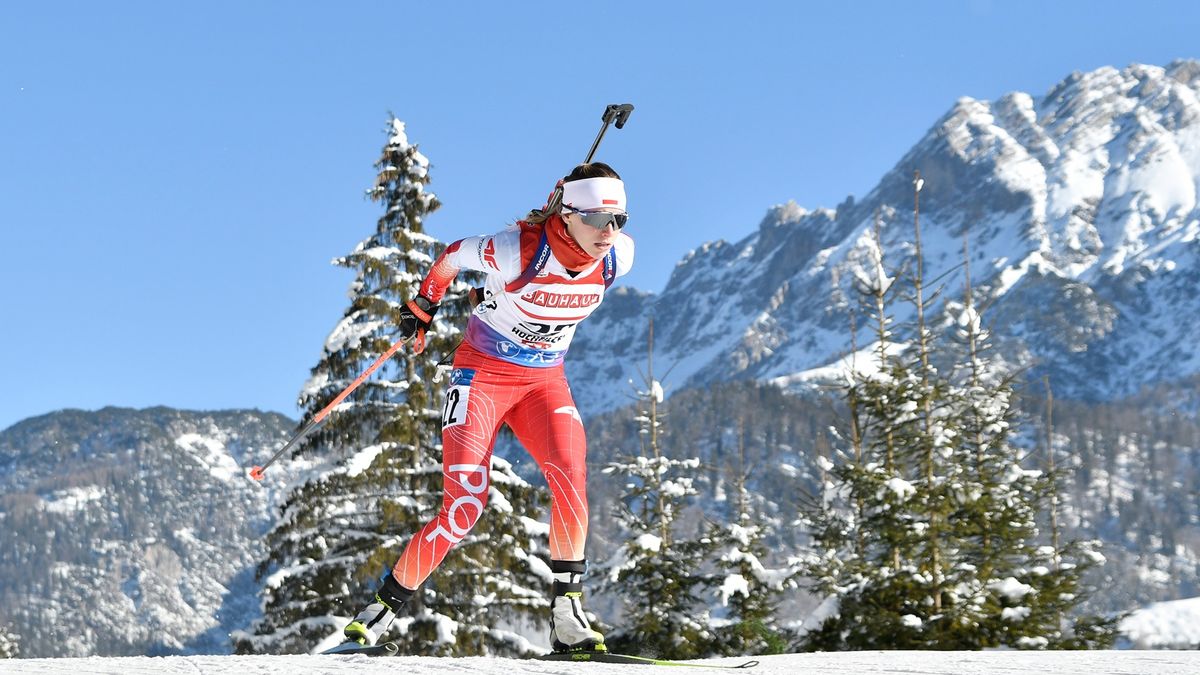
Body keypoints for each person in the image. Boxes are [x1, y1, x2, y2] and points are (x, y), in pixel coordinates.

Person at [337, 162, 634, 654]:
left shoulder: (618, 255)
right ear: (565, 214)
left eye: (619, 219)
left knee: (570, 474)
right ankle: (379, 612)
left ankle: (567, 616)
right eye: (598, 220)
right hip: (482, 376)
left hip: (544, 382)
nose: (610, 232)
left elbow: (539, 291)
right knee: (463, 507)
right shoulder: (516, 250)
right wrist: (424, 306)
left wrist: (487, 294)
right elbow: (453, 256)